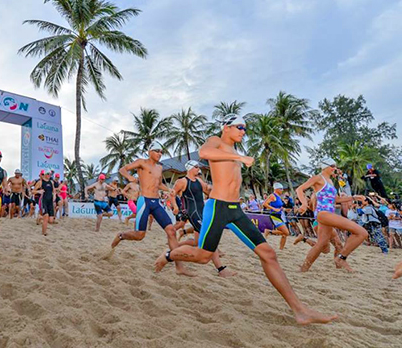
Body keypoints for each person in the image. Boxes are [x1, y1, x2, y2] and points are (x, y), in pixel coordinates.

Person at [153, 114, 336, 324]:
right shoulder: (217, 142)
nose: (243, 131)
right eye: (239, 127)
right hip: (217, 207)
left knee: (268, 254)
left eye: (245, 128)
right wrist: (239, 159)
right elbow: (204, 152)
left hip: (236, 209)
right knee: (204, 257)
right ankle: (168, 255)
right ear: (226, 127)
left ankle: (300, 311)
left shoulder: (234, 151)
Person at [108, 142, 194, 277]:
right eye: (157, 151)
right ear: (150, 152)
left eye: (161, 152)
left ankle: (179, 267)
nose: (160, 154)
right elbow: (122, 169)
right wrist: (130, 177)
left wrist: (168, 189)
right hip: (144, 201)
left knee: (171, 231)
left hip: (156, 202)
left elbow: (158, 184)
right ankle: (121, 235)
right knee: (139, 235)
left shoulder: (159, 168)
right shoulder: (141, 162)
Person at [296, 159, 367, 272]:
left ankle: (303, 269)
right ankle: (341, 258)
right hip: (323, 213)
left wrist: (354, 197)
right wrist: (304, 204)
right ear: (325, 166)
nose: (335, 168)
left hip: (327, 214)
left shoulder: (329, 181)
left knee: (321, 245)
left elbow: (336, 199)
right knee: (362, 232)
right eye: (332, 166)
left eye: (335, 166)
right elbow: (299, 189)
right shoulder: (318, 178)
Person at [168, 160, 235, 277]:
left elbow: (208, 189)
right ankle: (221, 269)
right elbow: (172, 194)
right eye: (196, 167)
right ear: (189, 168)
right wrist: (175, 206)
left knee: (197, 242)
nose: (198, 169)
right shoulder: (182, 181)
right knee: (209, 237)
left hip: (202, 212)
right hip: (192, 213)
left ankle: (174, 250)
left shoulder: (198, 181)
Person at [263, 183, 291, 250]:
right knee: (286, 232)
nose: (282, 190)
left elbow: (279, 207)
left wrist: (284, 209)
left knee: (284, 234)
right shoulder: (272, 195)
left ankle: (281, 248)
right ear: (276, 189)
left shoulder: (278, 196)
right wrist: (273, 208)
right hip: (274, 216)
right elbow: (265, 204)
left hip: (279, 215)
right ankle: (269, 231)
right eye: (281, 189)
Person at [33, 170, 56, 236]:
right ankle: (44, 233)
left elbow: (54, 191)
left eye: (50, 174)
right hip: (43, 200)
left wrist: (54, 196)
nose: (49, 175)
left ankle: (40, 217)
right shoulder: (40, 182)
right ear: (44, 174)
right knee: (46, 216)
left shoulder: (51, 182)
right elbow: (33, 191)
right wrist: (39, 191)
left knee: (51, 220)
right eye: (48, 174)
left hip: (50, 201)